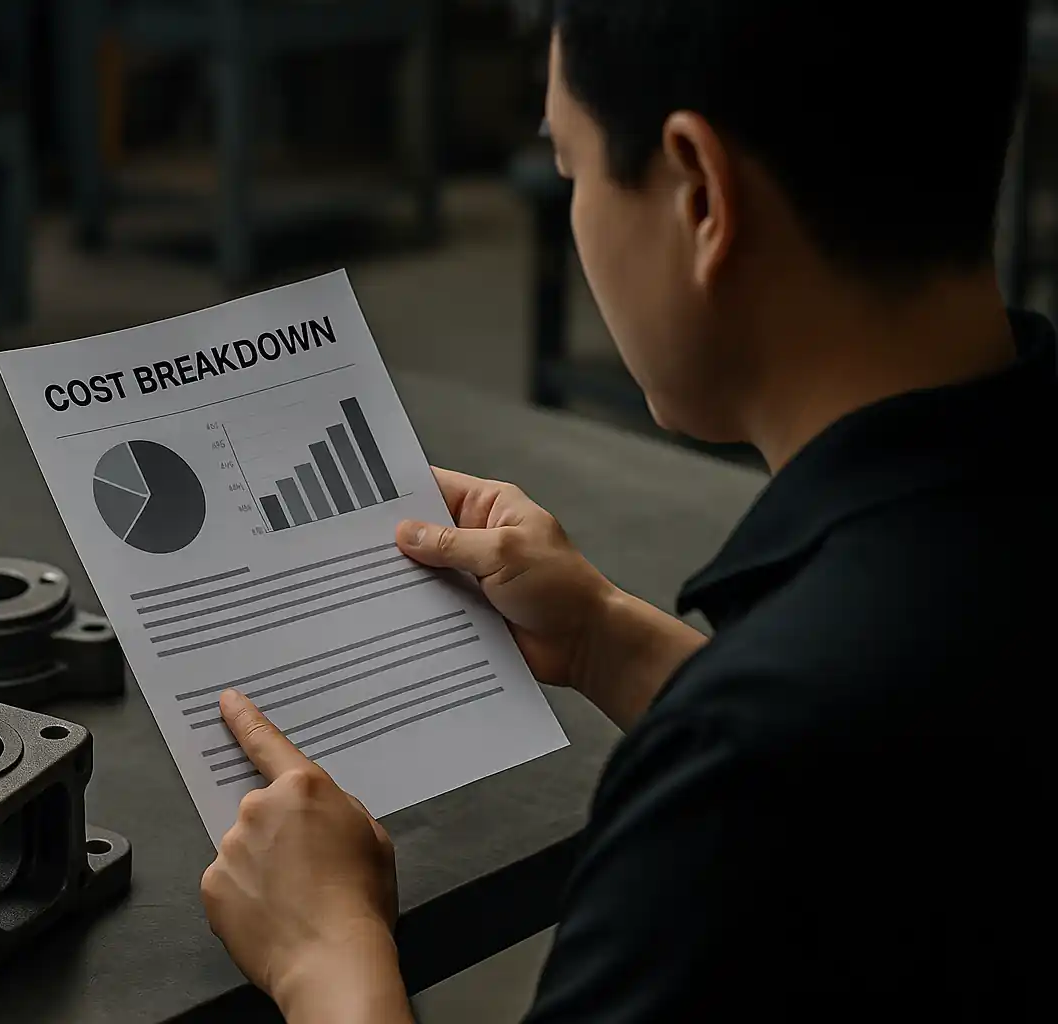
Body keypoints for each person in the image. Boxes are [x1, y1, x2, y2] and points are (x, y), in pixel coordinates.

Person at [198, 1, 1050, 1020]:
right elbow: (924, 790)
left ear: (699, 195)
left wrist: (328, 959)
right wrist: (606, 641)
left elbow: (812, 761)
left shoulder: (735, 793)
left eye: (572, 169)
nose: (573, 208)